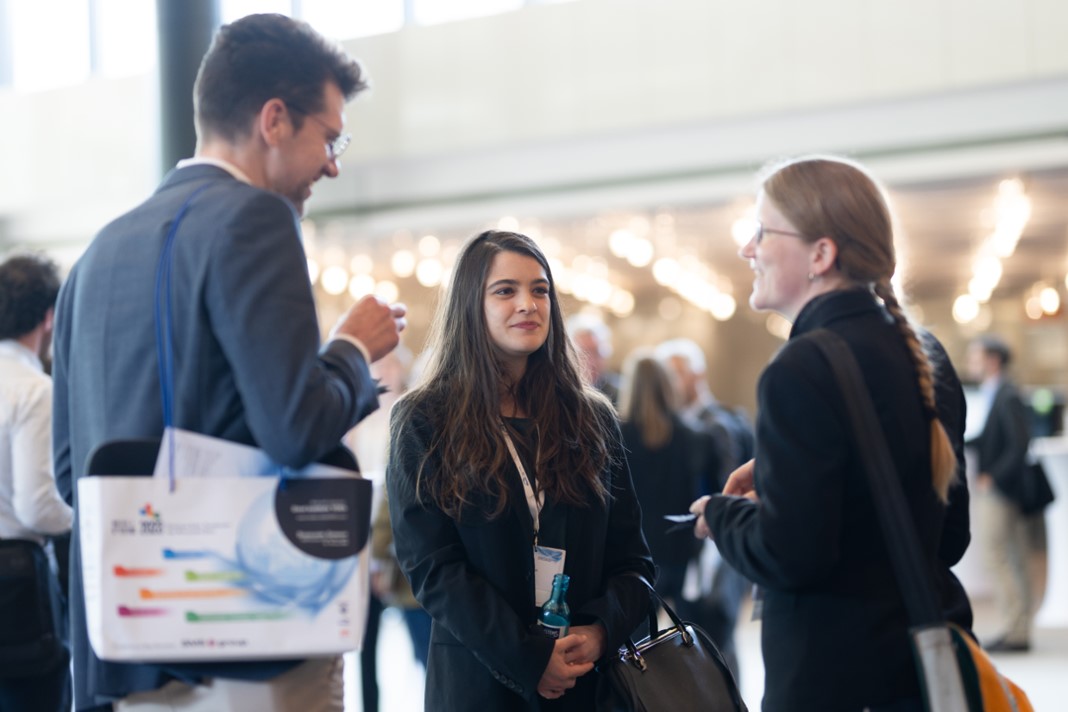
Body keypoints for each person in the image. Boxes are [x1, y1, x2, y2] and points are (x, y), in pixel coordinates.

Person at [52, 14, 406, 712]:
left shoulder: (96, 254)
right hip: (251, 638)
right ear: (274, 120)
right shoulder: (256, 219)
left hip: (127, 645)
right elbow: (294, 428)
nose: (333, 164)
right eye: (329, 138)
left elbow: (71, 472)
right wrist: (352, 350)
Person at [690, 155, 972, 712]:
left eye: (762, 231)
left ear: (821, 255)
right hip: (921, 669)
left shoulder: (801, 368)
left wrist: (722, 515)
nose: (747, 248)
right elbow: (950, 537)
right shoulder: (925, 355)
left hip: (835, 677)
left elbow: (792, 554)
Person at [387, 230, 654, 711]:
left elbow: (634, 562)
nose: (528, 304)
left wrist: (599, 632)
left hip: (586, 684)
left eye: (540, 290)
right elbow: (433, 569)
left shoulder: (590, 418)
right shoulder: (425, 419)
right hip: (480, 682)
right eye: (505, 290)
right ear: (471, 306)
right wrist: (530, 659)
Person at [0, 253, 73, 712]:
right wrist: (84, 513)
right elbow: (38, 507)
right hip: (15, 584)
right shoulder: (33, 389)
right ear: (49, 317)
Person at [654, 336, 751, 675]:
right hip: (681, 555)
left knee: (715, 651)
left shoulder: (717, 425)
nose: (669, 384)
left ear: (696, 375)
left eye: (676, 374)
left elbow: (729, 494)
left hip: (713, 555)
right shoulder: (671, 427)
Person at [616, 350, 714, 609]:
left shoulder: (616, 436)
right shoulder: (694, 435)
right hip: (678, 545)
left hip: (631, 551)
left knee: (638, 630)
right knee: (682, 628)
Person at [965, 334, 1037, 652]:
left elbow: (1019, 443)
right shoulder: (995, 392)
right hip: (1002, 488)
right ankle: (1017, 629)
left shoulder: (1006, 394)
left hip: (1002, 491)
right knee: (1011, 556)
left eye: (976, 356)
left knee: (1000, 556)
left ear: (993, 360)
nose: (971, 363)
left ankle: (1015, 628)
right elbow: (989, 438)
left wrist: (993, 477)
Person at [566, 312, 621, 405]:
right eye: (583, 354)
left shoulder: (620, 394)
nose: (590, 362)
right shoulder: (560, 391)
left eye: (595, 353)